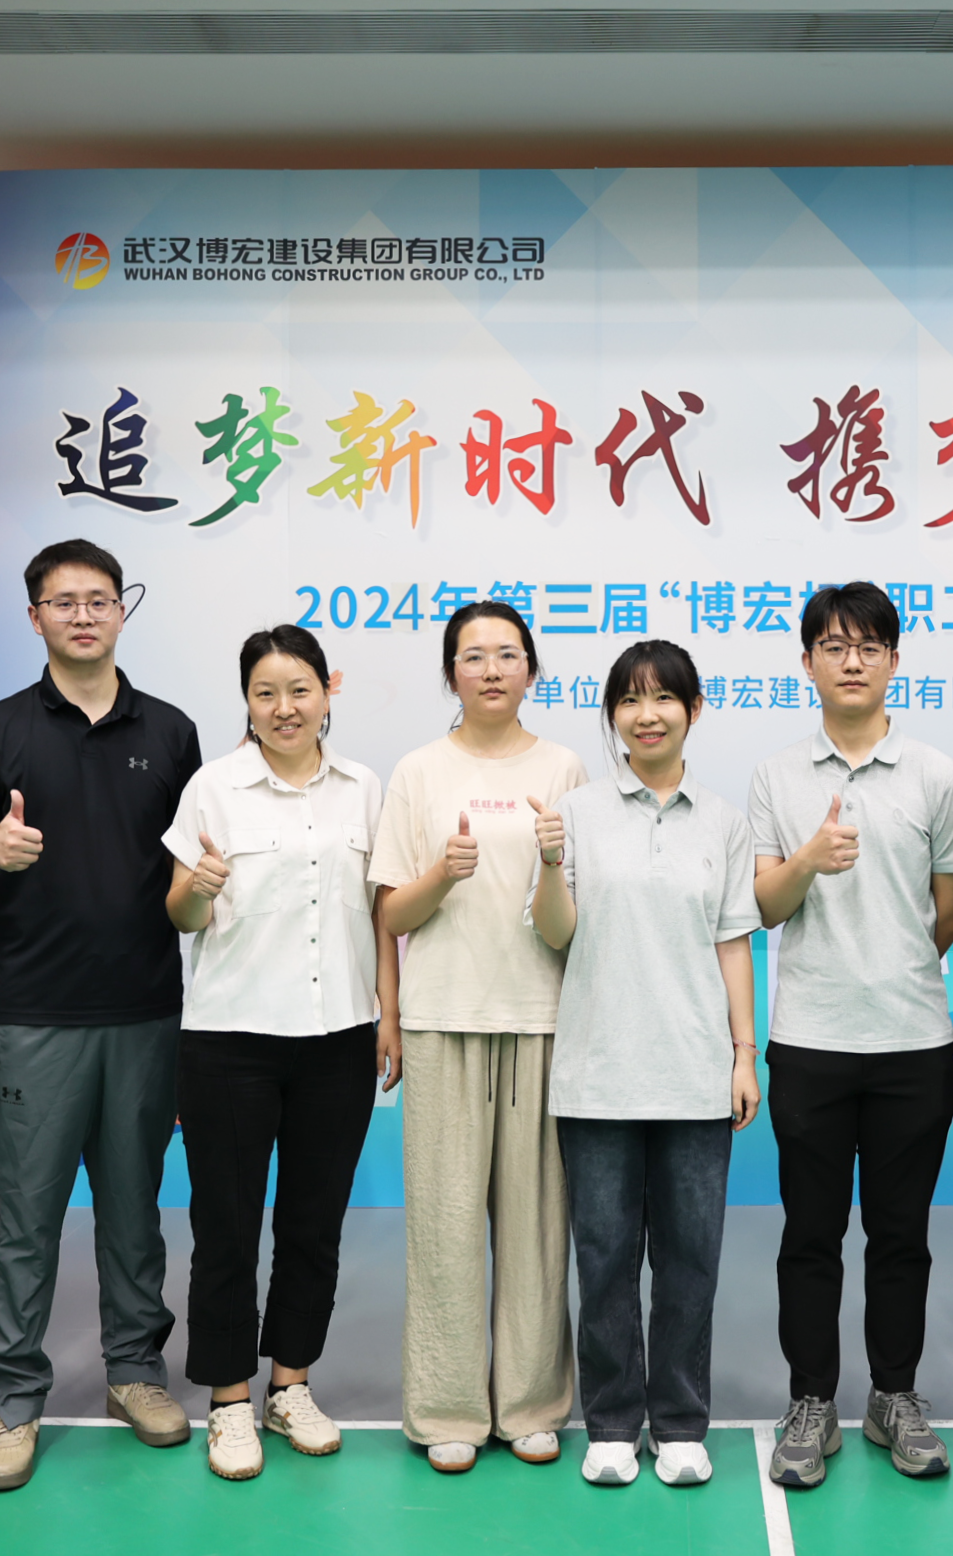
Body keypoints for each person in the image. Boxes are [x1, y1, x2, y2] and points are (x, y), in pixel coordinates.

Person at [0, 538, 203, 1492]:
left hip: (145, 1012)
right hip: (34, 1017)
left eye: (98, 600)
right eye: (63, 601)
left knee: (135, 1214)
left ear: (122, 610)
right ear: (35, 616)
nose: (83, 615)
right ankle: (15, 1396)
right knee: (27, 1219)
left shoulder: (171, 731)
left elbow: (190, 873)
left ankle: (136, 1373)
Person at [748, 582, 953, 1490]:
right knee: (810, 1234)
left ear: (893, 661)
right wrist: (808, 860)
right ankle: (810, 1401)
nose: (852, 661)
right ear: (807, 663)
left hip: (913, 1043)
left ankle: (894, 1396)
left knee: (901, 1236)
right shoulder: (775, 776)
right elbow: (765, 907)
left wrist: (895, 965)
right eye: (834, 646)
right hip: (809, 1040)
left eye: (869, 646)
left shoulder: (936, 776)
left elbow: (952, 905)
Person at [163, 625, 399, 1481]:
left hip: (338, 1037)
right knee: (225, 1226)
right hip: (230, 1040)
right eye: (266, 693)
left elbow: (381, 910)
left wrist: (388, 1013)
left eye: (299, 689)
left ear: (329, 691)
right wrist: (198, 889)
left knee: (313, 1224)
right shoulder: (212, 787)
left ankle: (290, 1384)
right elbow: (180, 914)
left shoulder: (363, 788)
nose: (285, 707)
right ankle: (230, 1398)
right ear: (248, 703)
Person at [529, 640, 762, 1488]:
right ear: (613, 716)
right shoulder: (577, 812)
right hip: (597, 1075)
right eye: (629, 700)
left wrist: (744, 1054)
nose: (647, 714)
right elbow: (555, 931)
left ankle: (681, 1422)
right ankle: (613, 1423)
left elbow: (732, 943)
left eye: (664, 698)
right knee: (604, 1259)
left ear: (693, 710)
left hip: (695, 1074)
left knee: (690, 1261)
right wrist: (549, 861)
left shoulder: (723, 821)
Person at [370, 600, 587, 1473]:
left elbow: (571, 923)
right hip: (442, 1019)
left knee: (538, 1230)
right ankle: (448, 1409)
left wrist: (549, 861)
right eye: (473, 656)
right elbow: (391, 913)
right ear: (450, 673)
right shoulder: (419, 771)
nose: (491, 670)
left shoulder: (565, 767)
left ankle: (532, 1404)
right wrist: (443, 874)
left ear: (532, 670)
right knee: (445, 1227)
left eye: (507, 654)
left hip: (542, 1021)